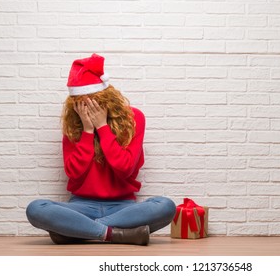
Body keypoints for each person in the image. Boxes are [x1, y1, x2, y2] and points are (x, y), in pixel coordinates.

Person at [26, 53, 176, 246]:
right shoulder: (74, 124)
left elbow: (125, 168)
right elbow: (74, 173)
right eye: (82, 104)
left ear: (107, 99)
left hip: (124, 208)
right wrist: (88, 131)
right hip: (80, 206)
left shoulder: (135, 118)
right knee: (36, 208)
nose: (87, 109)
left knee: (165, 206)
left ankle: (77, 230)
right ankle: (114, 234)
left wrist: (103, 127)